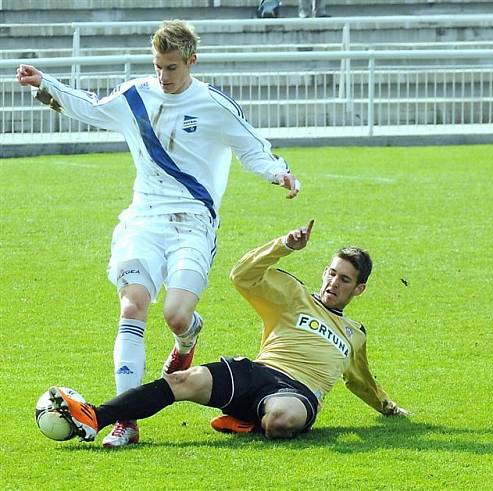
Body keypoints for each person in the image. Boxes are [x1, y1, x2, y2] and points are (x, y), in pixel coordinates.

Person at [15, 20, 300, 447]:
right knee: (133, 307)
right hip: (143, 219)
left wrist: (279, 173)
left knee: (176, 315)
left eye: (171, 68)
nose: (163, 77)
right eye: (158, 67)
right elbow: (91, 106)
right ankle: (124, 421)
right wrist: (46, 83)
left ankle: (188, 335)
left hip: (193, 222)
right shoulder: (136, 95)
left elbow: (252, 147)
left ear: (191, 62)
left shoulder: (214, 105)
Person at [49, 220, 409, 444]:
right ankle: (95, 416)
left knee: (281, 421)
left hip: (300, 392)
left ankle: (247, 421)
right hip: (258, 372)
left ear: (358, 289)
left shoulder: (354, 333)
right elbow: (241, 276)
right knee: (182, 382)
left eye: (344, 279)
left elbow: (361, 381)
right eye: (331, 273)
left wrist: (389, 408)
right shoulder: (294, 295)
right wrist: (284, 245)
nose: (333, 282)